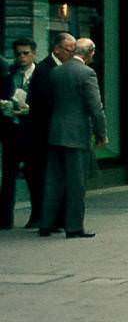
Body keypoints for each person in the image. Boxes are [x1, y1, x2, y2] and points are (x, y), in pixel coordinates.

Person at [40, 38, 108, 238]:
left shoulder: (57, 71)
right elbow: (96, 108)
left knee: (54, 180)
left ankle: (46, 223)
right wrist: (102, 134)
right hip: (76, 134)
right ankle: (74, 227)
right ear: (90, 53)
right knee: (76, 182)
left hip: (56, 131)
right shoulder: (87, 73)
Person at [25, 32, 75, 230]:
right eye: (70, 50)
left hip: (56, 132)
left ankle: (55, 218)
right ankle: (47, 218)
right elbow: (45, 103)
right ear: (57, 49)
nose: (73, 54)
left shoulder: (64, 67)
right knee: (48, 176)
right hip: (46, 133)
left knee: (58, 176)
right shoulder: (46, 70)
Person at [1, 38, 37, 229]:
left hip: (31, 132)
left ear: (33, 54)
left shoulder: (39, 75)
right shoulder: (10, 74)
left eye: (25, 53)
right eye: (18, 54)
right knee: (8, 176)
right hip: (12, 130)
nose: (22, 57)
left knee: (32, 174)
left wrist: (30, 110)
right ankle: (5, 218)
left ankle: (37, 215)